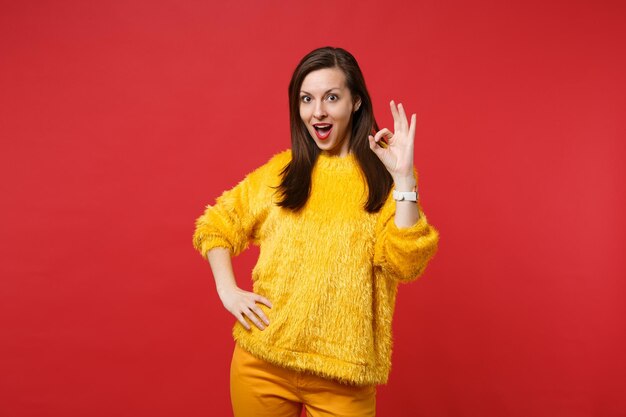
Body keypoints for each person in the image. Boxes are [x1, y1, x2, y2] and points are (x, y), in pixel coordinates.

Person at [192, 46, 439, 417]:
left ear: (356, 102)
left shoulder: (386, 179)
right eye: (307, 99)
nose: (317, 111)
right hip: (262, 364)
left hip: (344, 377)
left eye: (332, 97)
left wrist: (403, 178)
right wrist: (228, 291)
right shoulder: (282, 172)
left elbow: (406, 264)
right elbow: (215, 224)